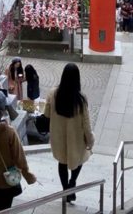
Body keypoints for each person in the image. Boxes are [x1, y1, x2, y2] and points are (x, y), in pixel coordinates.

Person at [46, 63, 95, 203]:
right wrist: (90, 141)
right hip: (76, 139)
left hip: (58, 138)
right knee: (78, 160)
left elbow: (47, 114)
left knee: (62, 162)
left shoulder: (53, 94)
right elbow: (86, 124)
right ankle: (72, 182)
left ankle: (65, 189)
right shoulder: (80, 100)